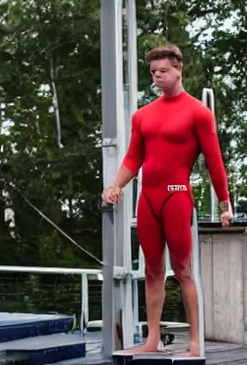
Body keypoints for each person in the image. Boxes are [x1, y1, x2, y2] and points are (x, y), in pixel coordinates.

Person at [102, 45, 234, 357]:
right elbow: (134, 158)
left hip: (177, 196)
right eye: (153, 72)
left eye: (162, 71)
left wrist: (226, 204)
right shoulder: (143, 115)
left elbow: (215, 162)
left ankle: (194, 341)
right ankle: (152, 338)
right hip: (148, 199)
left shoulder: (198, 113)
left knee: (184, 270)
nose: (157, 77)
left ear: (178, 70)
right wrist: (115, 185)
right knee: (151, 270)